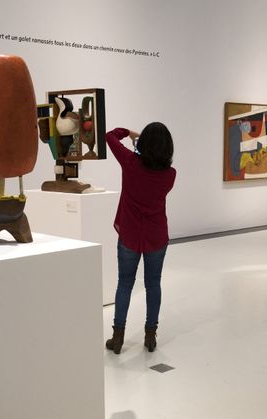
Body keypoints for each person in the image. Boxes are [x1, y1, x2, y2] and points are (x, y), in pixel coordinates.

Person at [104, 122, 176, 354]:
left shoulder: (130, 163)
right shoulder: (170, 175)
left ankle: (118, 338)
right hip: (156, 236)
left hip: (130, 234)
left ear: (143, 143)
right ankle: (150, 336)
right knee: (153, 283)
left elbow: (110, 136)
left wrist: (129, 134)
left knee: (125, 283)